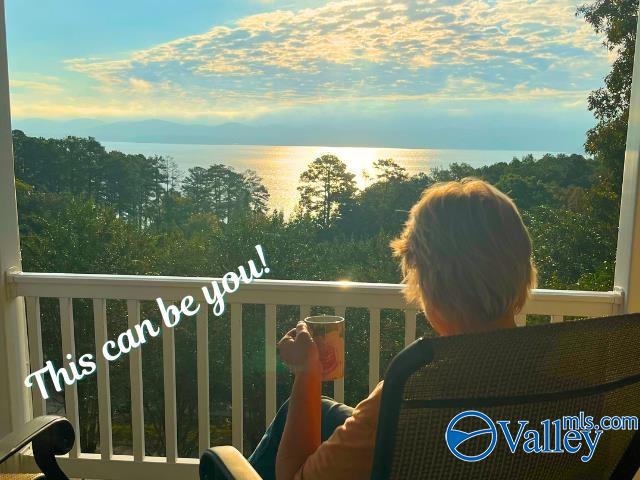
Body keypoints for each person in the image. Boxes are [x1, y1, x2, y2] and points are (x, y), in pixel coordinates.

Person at [249, 178, 537, 480]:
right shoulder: (566, 371)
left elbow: (294, 476)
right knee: (318, 411)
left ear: (429, 280)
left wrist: (306, 372)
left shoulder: (409, 395)